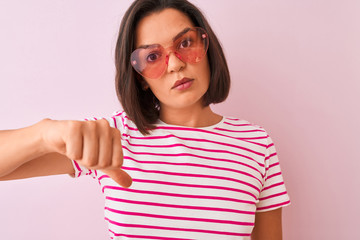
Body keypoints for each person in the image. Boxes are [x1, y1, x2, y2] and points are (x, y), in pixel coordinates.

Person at [0, 0, 290, 239]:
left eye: (186, 43)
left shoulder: (256, 143)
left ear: (207, 48)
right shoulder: (113, 136)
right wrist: (43, 134)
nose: (176, 64)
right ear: (139, 79)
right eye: (152, 57)